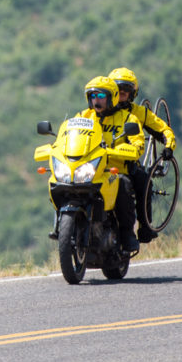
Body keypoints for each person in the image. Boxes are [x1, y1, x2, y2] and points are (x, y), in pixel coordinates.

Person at [75, 76, 144, 252]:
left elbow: (138, 147)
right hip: (88, 170)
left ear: (112, 97)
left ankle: (127, 233)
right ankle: (66, 226)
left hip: (114, 171)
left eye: (101, 96)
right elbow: (70, 137)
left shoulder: (128, 118)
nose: (96, 100)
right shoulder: (83, 116)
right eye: (93, 96)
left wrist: (115, 152)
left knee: (123, 183)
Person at [108, 67, 176, 243]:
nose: (121, 96)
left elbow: (162, 129)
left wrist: (169, 146)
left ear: (132, 94)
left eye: (125, 93)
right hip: (97, 165)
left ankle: (145, 226)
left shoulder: (139, 113)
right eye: (117, 92)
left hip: (126, 166)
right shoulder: (98, 112)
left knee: (144, 182)